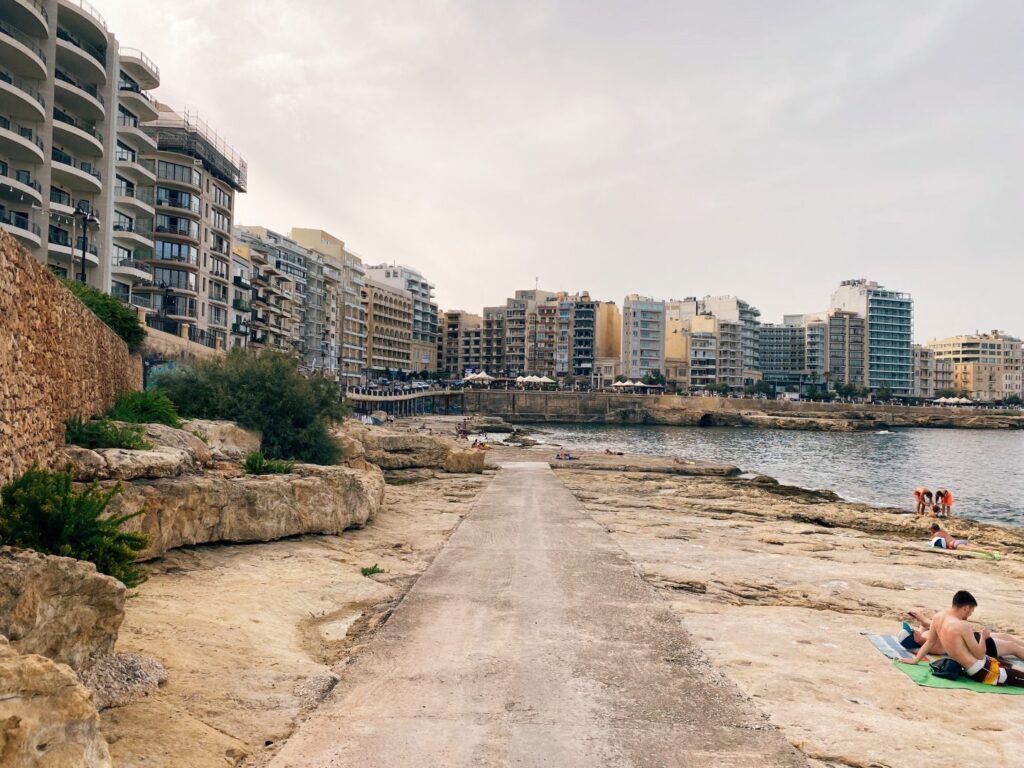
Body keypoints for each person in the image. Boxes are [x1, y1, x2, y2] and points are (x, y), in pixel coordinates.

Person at [898, 591, 1024, 686]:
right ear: (966, 607)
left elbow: (929, 643)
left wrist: (915, 660)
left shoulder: (938, 617)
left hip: (982, 665)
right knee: (1016, 675)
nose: (969, 615)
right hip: (984, 670)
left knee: (1012, 667)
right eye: (971, 611)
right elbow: (979, 654)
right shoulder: (963, 626)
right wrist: (983, 638)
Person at [902, 609, 1024, 659]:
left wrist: (920, 620)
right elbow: (938, 626)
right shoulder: (928, 640)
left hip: (972, 638)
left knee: (1005, 637)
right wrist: (925, 620)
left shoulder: (923, 638)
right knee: (1012, 647)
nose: (913, 629)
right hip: (976, 644)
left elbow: (925, 626)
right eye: (912, 632)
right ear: (915, 639)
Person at [928, 523, 1005, 557]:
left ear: (933, 530)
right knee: (978, 546)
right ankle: (998, 549)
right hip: (960, 541)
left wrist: (932, 534)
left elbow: (932, 542)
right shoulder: (943, 531)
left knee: (974, 549)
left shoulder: (936, 534)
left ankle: (988, 552)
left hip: (954, 544)